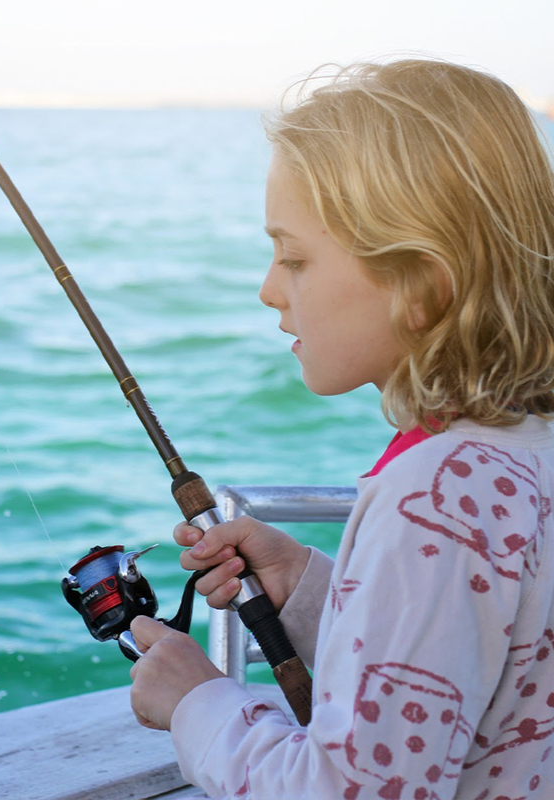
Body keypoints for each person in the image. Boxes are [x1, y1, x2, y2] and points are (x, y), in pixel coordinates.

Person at [128, 58, 554, 799]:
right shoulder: (522, 456)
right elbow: (485, 675)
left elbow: (348, 790)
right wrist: (312, 591)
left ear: (421, 284)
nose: (268, 290)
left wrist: (197, 702)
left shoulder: (434, 493)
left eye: (294, 258)